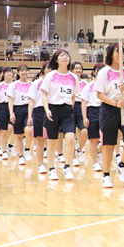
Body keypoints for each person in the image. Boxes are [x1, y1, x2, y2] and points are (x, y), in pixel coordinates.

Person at [94, 43, 124, 188]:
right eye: (118, 52)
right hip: (109, 108)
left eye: (123, 52)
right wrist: (115, 103)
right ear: (111, 55)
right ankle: (106, 175)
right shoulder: (104, 72)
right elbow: (100, 94)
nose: (121, 55)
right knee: (109, 145)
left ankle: (122, 164)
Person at [41, 49, 79, 181]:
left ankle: (67, 167)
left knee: (70, 139)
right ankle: (51, 168)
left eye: (67, 55)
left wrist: (70, 108)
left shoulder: (73, 77)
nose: (65, 57)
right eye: (62, 55)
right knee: (52, 142)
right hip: (52, 109)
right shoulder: (51, 76)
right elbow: (44, 94)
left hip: (67, 110)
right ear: (56, 60)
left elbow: (73, 95)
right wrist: (47, 109)